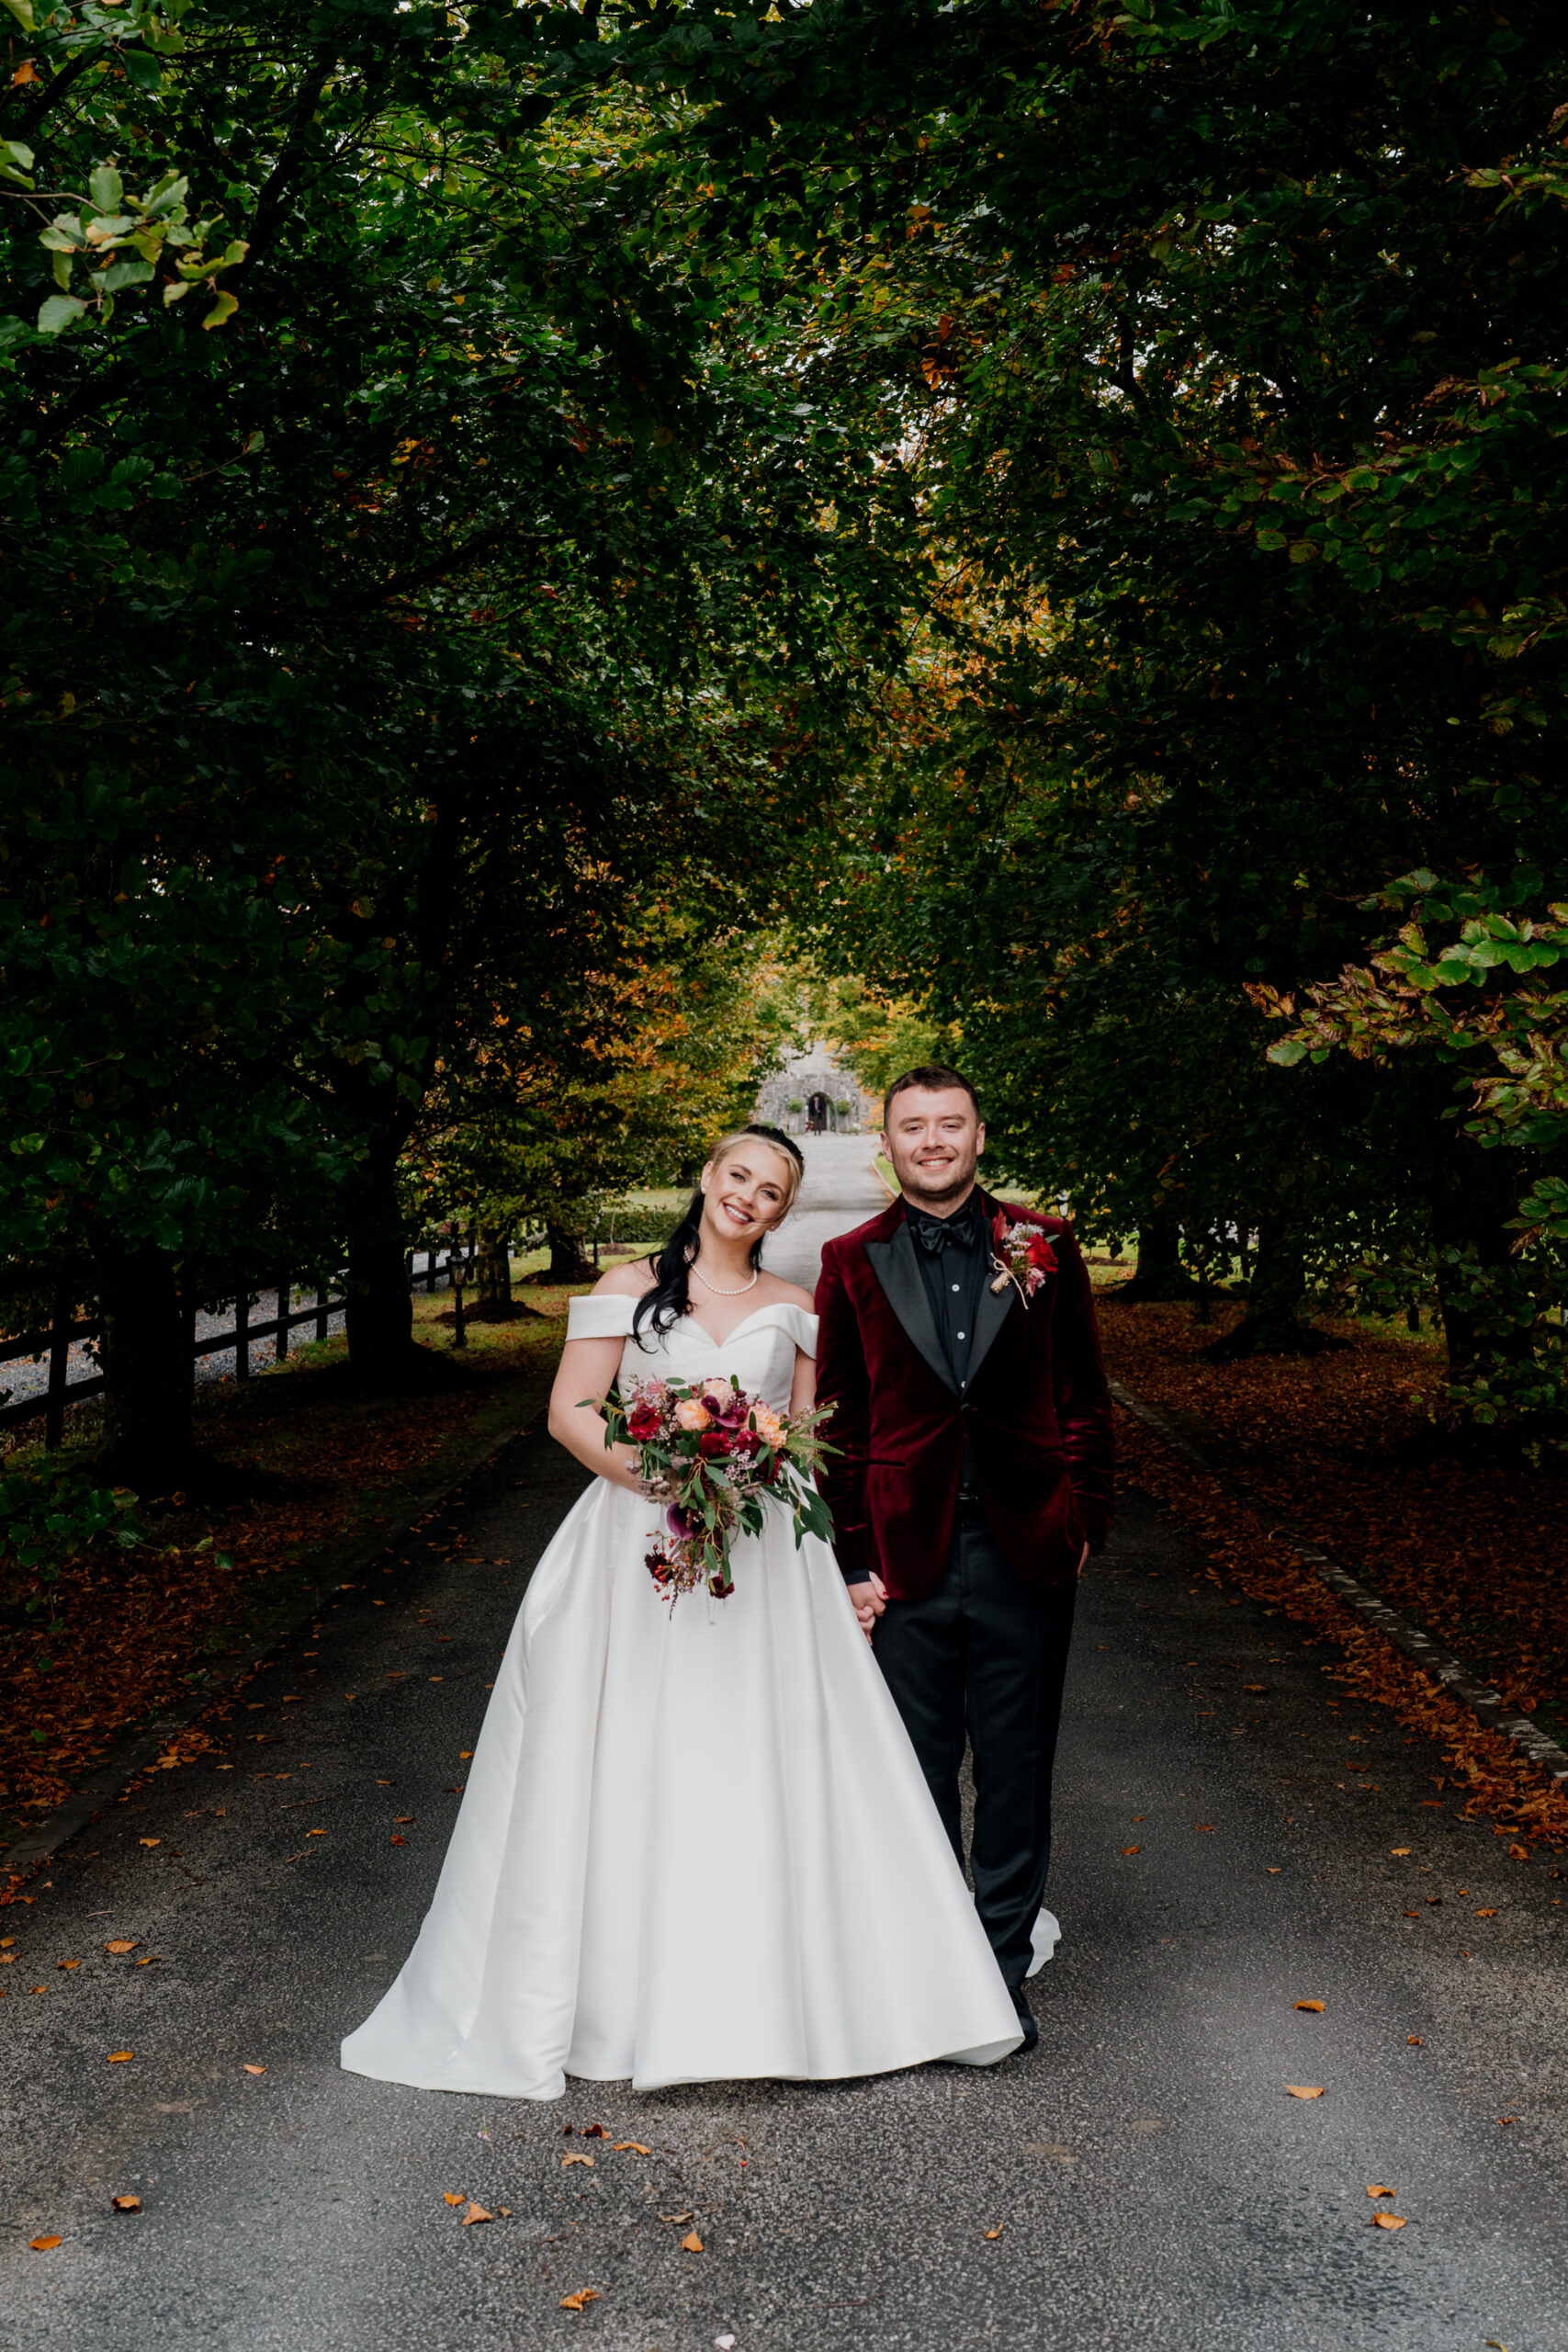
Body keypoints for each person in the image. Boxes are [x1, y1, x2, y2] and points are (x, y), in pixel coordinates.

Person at [341, 1121, 1021, 2100]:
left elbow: (810, 1438)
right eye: (737, 1175)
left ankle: (794, 1991)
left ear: (784, 1209)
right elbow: (571, 1410)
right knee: (631, 1750)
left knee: (762, 1748)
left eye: (772, 1190)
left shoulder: (794, 1307)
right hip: (635, 1544)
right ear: (708, 1178)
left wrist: (822, 1550)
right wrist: (661, 1479)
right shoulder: (626, 1289)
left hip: (759, 1558)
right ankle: (616, 1993)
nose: (749, 1196)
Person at [814, 1068, 1115, 2052]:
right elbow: (842, 1421)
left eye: (950, 1124)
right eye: (914, 1126)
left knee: (1020, 1766)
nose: (933, 1141)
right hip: (904, 1555)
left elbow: (1083, 1394)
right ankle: (933, 1969)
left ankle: (998, 1975)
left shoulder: (1046, 1243)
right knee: (917, 1769)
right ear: (888, 1142)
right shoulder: (849, 1258)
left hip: (1027, 1542)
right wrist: (851, 1553)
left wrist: (1083, 1522)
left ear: (979, 1134)